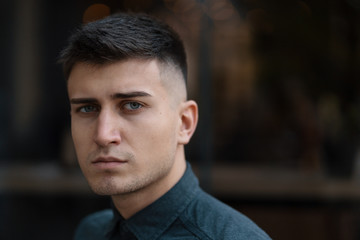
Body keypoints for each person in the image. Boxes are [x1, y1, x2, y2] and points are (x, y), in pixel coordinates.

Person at [59, 12, 271, 240]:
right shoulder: (91, 232)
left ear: (184, 123)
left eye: (132, 105)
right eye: (88, 108)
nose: (103, 135)